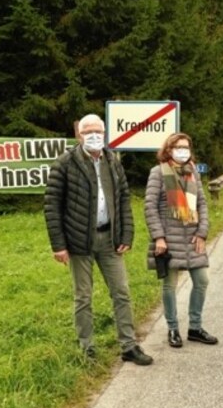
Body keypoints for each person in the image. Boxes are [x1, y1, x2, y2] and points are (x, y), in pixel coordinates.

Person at [44, 113, 153, 366]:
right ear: (79, 135)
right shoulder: (65, 163)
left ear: (104, 134)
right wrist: (58, 245)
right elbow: (51, 205)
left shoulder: (113, 161)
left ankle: (128, 345)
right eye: (88, 132)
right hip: (78, 240)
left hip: (109, 239)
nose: (93, 136)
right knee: (83, 296)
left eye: (98, 131)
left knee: (122, 291)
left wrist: (126, 233)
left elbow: (124, 198)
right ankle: (86, 347)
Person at [144, 132, 218, 348]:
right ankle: (173, 328)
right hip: (168, 238)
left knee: (202, 280)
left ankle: (195, 327)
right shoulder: (158, 173)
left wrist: (202, 232)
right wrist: (159, 237)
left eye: (186, 147)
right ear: (168, 150)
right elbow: (149, 206)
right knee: (170, 285)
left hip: (193, 237)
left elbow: (202, 204)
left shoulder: (193, 172)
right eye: (178, 147)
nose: (183, 151)